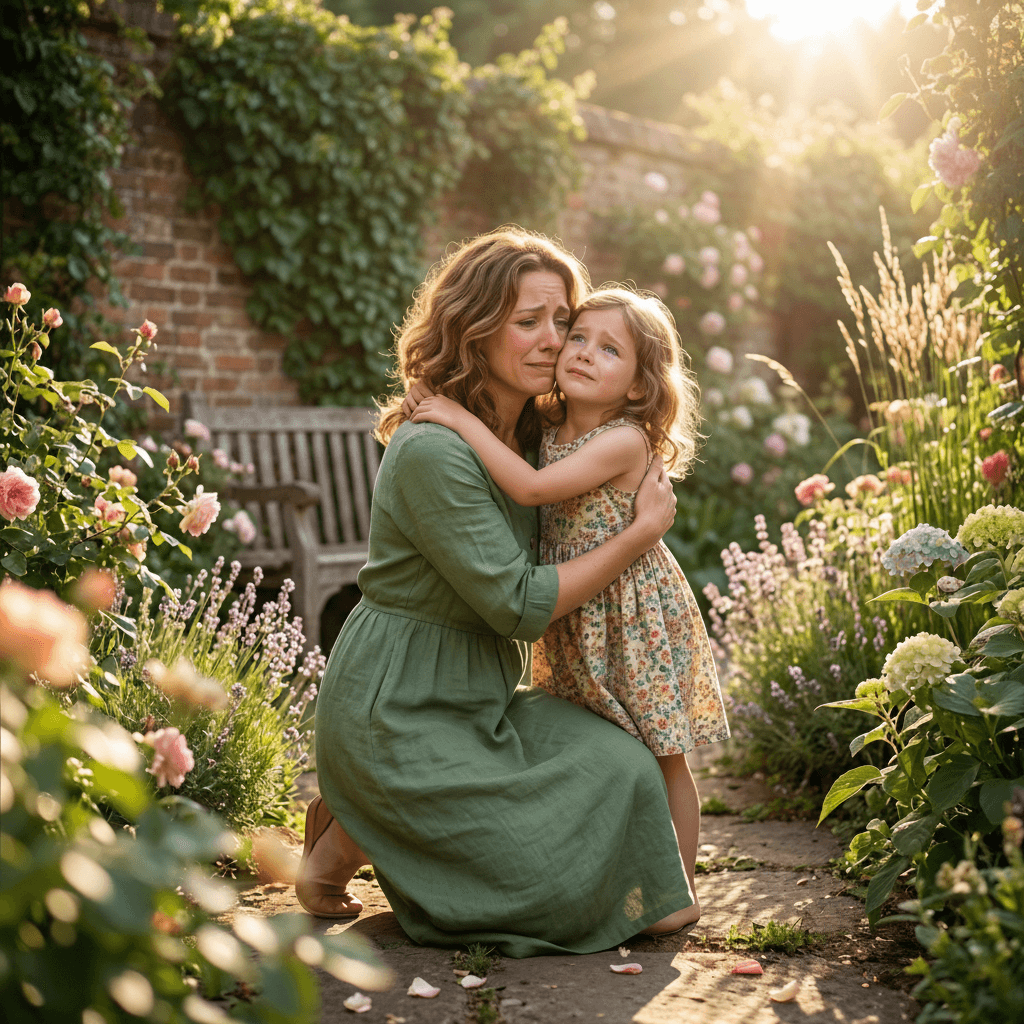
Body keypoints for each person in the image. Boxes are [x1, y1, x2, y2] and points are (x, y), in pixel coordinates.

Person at [296, 230, 698, 957]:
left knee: (627, 767)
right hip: (400, 709)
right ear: (475, 330)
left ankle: (355, 825)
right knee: (536, 875)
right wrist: (639, 536)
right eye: (528, 322)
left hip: (483, 700)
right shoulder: (434, 448)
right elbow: (517, 604)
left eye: (563, 322)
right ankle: (362, 813)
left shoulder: (533, 434)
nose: (555, 342)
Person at [410, 286, 731, 913]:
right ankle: (616, 871)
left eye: (609, 350)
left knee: (662, 752)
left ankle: (680, 890)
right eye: (578, 337)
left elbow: (530, 489)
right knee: (604, 744)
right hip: (580, 616)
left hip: (631, 614)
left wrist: (456, 418)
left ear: (639, 386)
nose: (582, 353)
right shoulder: (549, 425)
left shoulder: (625, 440)